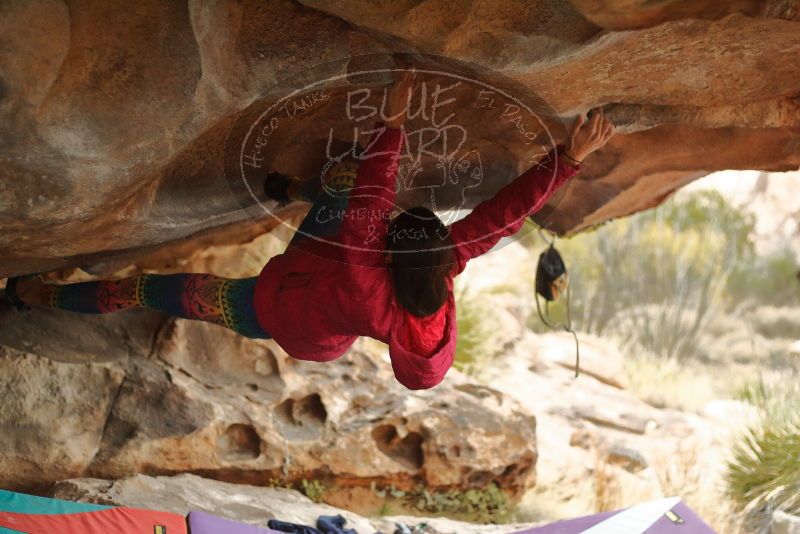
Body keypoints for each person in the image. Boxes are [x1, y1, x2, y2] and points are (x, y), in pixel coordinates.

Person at [5, 71, 614, 389]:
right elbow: (498, 217)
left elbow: (378, 191)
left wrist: (393, 121)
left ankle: (36, 295)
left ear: (387, 243)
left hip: (267, 306)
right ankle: (296, 192)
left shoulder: (359, 251)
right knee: (347, 193)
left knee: (144, 291)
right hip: (320, 315)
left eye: (393, 224)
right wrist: (568, 159)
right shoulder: (433, 278)